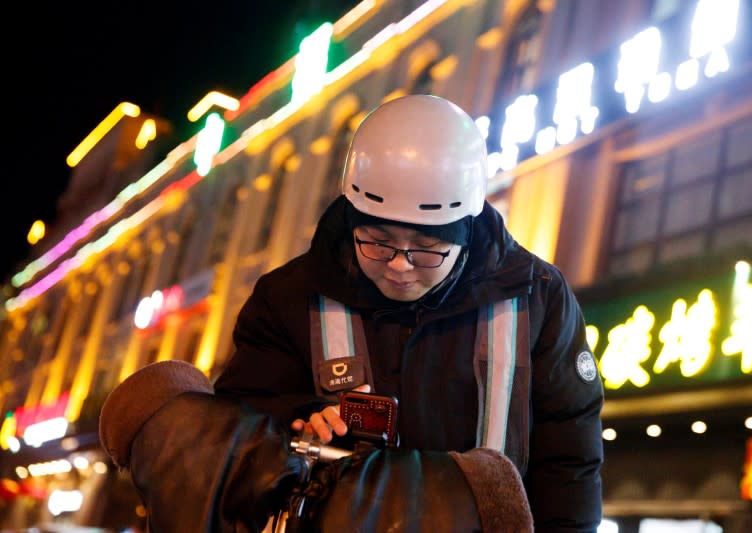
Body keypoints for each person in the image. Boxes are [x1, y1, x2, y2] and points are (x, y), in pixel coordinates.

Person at [213, 94, 605, 531]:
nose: (399, 265)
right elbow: (236, 419)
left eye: (427, 249)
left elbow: (570, 459)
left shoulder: (538, 298)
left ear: (465, 235)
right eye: (377, 242)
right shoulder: (287, 297)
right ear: (350, 220)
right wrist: (299, 415)